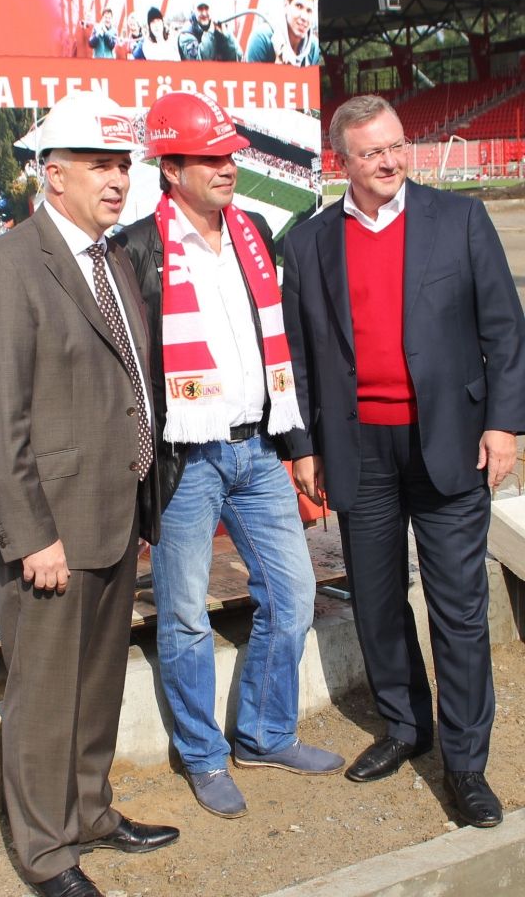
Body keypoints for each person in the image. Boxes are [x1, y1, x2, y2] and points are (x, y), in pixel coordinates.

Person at [0, 91, 178, 897]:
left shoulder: (111, 258)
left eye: (124, 165)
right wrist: (32, 536)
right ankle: (45, 853)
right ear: (53, 175)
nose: (118, 180)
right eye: (99, 166)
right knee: (46, 699)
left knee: (96, 686)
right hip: (51, 531)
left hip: (112, 515)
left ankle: (88, 814)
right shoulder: (7, 268)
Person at [282, 94, 525, 828]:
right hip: (359, 449)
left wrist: (504, 426)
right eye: (372, 152)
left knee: (458, 609)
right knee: (379, 601)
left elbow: (505, 331)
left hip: (449, 441)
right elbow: (298, 357)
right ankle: (405, 724)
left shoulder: (460, 220)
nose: (390, 161)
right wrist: (304, 447)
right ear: (342, 162)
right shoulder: (310, 243)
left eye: (396, 146)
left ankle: (466, 764)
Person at [112, 92, 343, 820]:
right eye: (209, 157)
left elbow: (279, 344)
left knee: (293, 594)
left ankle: (265, 735)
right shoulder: (138, 249)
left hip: (256, 449)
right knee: (184, 617)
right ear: (170, 168)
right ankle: (204, 757)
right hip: (186, 463)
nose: (226, 167)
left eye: (230, 155)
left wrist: (297, 444)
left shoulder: (252, 232)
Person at [246, 0, 320, 66]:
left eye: (309, 11)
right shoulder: (262, 38)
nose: (304, 17)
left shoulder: (314, 48)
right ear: (286, 5)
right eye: (299, 6)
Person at [176, 0, 242, 63]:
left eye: (206, 8)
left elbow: (238, 58)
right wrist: (210, 33)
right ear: (193, 10)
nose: (204, 13)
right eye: (200, 9)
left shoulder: (221, 27)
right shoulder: (186, 34)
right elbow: (200, 63)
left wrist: (226, 37)